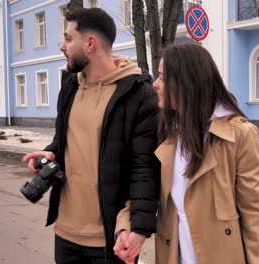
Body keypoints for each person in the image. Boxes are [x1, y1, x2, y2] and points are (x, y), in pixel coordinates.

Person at [22, 8, 159, 264]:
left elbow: (145, 168)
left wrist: (138, 228)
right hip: (65, 233)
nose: (62, 46)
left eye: (68, 38)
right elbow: (66, 139)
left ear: (90, 43)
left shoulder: (139, 94)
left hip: (110, 239)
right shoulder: (71, 86)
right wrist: (51, 152)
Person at [152, 44, 259, 264]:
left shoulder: (239, 134)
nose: (155, 85)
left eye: (162, 77)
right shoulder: (166, 131)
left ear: (185, 82)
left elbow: (255, 212)